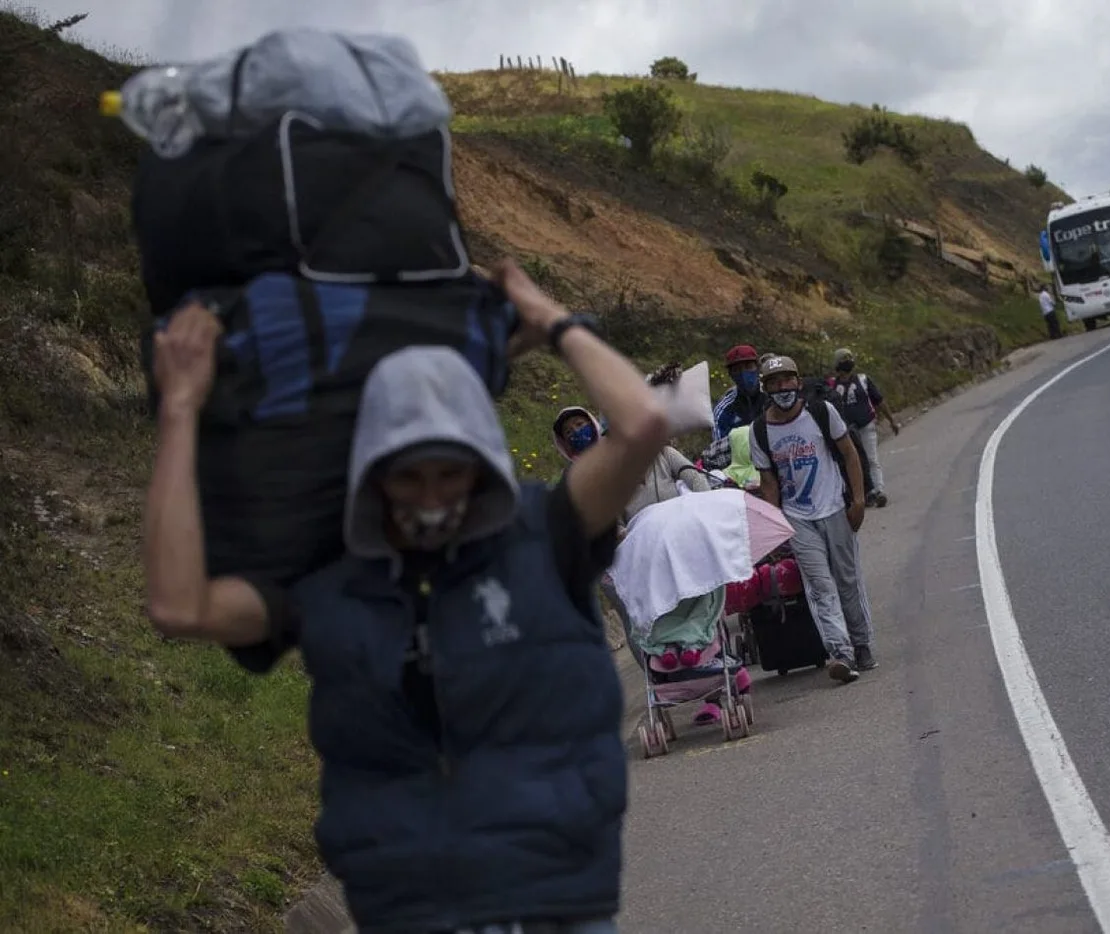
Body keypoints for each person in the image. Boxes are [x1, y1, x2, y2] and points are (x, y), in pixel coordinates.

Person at [141, 257, 672, 934]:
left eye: (450, 474)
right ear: (371, 477)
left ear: (480, 469)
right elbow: (178, 606)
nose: (431, 500)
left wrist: (550, 320)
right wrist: (182, 410)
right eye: (407, 478)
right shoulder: (327, 583)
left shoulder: (542, 533)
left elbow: (643, 426)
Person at [747, 354, 877, 682]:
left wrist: (859, 500)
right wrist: (775, 527)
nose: (782, 387)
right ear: (766, 389)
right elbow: (769, 482)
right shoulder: (760, 430)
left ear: (799, 381)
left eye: (787, 380)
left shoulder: (821, 412)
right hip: (798, 518)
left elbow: (849, 453)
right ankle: (840, 652)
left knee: (847, 580)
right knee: (819, 586)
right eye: (774, 383)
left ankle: (861, 644)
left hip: (834, 507)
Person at [828, 348, 898, 509]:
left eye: (849, 358)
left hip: (866, 425)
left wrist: (891, 420)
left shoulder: (863, 380)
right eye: (844, 359)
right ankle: (861, 493)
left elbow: (879, 400)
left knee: (871, 459)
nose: (848, 361)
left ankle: (878, 490)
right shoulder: (832, 385)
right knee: (852, 461)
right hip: (844, 431)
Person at [711, 343, 766, 441]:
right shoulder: (724, 409)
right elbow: (718, 448)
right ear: (730, 374)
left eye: (748, 367)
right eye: (737, 370)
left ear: (757, 368)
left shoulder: (771, 396)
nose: (744, 374)